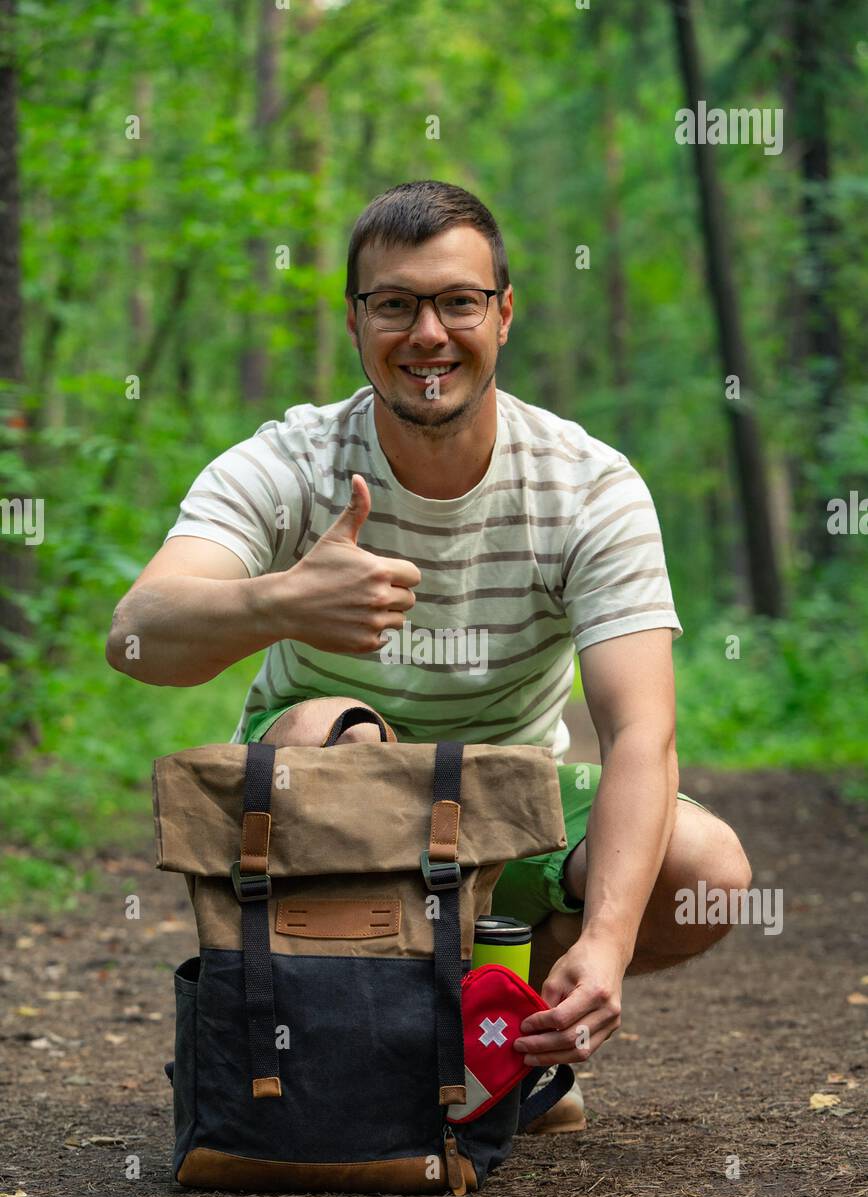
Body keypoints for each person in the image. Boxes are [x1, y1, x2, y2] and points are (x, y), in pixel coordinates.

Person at [106, 180, 751, 1136]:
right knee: (335, 730)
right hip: (319, 800)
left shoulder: (588, 485)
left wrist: (609, 945)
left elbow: (639, 730)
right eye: (395, 304)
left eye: (458, 301)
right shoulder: (289, 461)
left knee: (707, 871)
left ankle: (507, 1023)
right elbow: (136, 637)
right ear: (356, 320)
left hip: (508, 805)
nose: (428, 334)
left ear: (504, 311)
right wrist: (283, 602)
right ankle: (339, 1040)